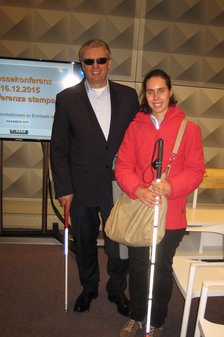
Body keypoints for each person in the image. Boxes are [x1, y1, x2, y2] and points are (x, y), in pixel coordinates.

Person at [50, 39, 139, 315]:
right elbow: (59, 147)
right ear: (82, 65)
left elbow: (137, 142)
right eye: (89, 61)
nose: (95, 66)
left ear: (109, 62)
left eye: (101, 60)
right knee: (85, 242)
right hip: (80, 187)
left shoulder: (128, 96)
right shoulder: (66, 99)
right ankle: (89, 287)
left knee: (118, 243)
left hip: (118, 185)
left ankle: (116, 290)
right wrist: (64, 188)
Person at [115, 69, 205, 337]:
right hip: (141, 211)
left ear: (170, 92)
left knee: (162, 269)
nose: (156, 97)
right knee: (139, 267)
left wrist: (171, 186)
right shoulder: (135, 126)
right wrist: (138, 190)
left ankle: (156, 320)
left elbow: (196, 171)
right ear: (145, 94)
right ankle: (137, 314)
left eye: (161, 90)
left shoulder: (190, 129)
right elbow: (123, 167)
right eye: (150, 91)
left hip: (171, 214)